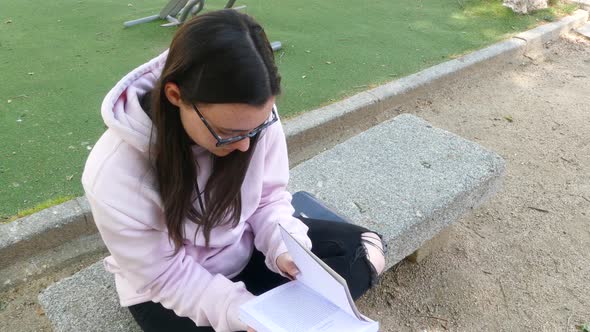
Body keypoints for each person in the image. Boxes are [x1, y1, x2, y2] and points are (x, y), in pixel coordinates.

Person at [82, 9, 386, 332]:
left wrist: (286, 248)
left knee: (365, 249)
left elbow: (268, 198)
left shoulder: (250, 114)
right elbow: (165, 276)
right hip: (171, 289)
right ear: (176, 96)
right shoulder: (114, 173)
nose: (245, 146)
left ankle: (290, 311)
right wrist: (240, 311)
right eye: (228, 133)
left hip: (244, 247)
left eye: (255, 129)